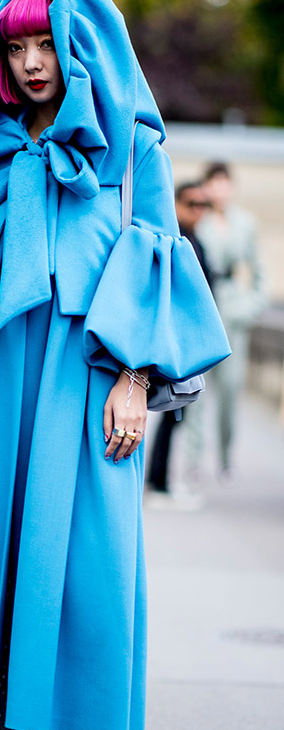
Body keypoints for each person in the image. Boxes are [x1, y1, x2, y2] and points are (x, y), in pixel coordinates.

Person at [0, 0, 229, 730]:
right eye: (14, 49)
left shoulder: (130, 143)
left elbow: (147, 257)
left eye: (45, 49)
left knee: (84, 571)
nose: (28, 66)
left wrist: (135, 378)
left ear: (78, 51)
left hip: (88, 374)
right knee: (10, 568)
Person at [193, 162, 266, 478]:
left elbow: (259, 272)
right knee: (195, 388)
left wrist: (251, 306)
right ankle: (193, 460)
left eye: (225, 183)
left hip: (233, 311)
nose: (219, 189)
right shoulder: (199, 218)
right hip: (204, 307)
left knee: (231, 389)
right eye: (214, 183)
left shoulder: (245, 223)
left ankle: (225, 457)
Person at [146, 181, 214, 500]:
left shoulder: (196, 240)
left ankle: (160, 478)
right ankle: (158, 480)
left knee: (177, 410)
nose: (198, 211)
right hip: (177, 342)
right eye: (192, 203)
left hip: (189, 342)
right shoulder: (176, 239)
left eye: (204, 206)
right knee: (173, 408)